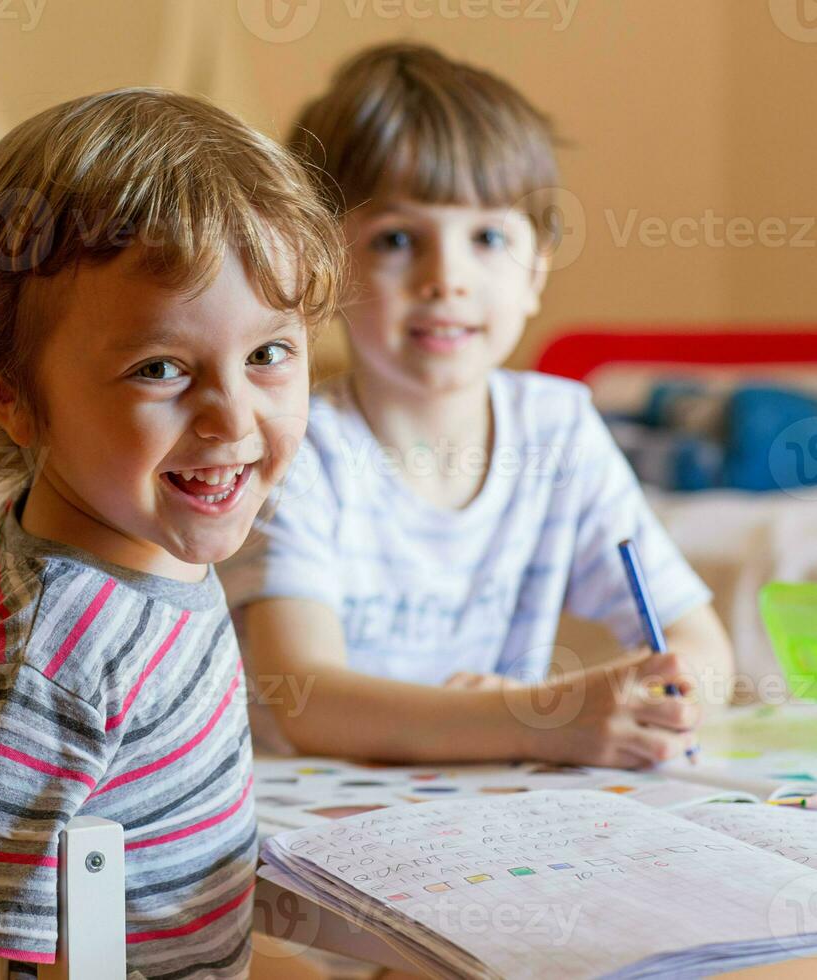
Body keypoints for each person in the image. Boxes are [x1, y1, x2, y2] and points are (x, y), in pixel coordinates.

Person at [0, 87, 343, 978]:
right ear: (9, 394)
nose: (231, 418)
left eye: (269, 353)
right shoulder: (59, 657)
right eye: (161, 368)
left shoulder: (56, 534)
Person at [219, 43, 735, 768]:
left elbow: (701, 644)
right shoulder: (299, 446)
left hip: (481, 822)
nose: (447, 278)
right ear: (322, 271)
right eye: (398, 239)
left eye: (488, 236)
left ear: (536, 270)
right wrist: (531, 722)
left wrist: (665, 696)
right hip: (304, 831)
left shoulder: (557, 431)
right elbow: (308, 699)